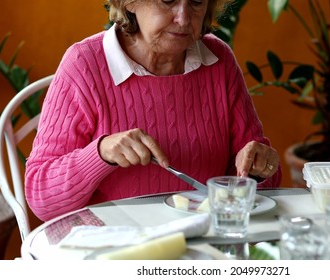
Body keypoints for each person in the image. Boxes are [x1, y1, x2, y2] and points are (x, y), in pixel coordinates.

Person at [25, 0, 282, 221]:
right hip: (114, 249)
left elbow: (264, 181)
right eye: (167, 0)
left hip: (203, 243)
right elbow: (41, 198)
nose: (183, 18)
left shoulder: (219, 60)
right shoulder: (84, 64)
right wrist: (101, 153)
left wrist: (259, 169)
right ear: (129, 2)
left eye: (196, 1)